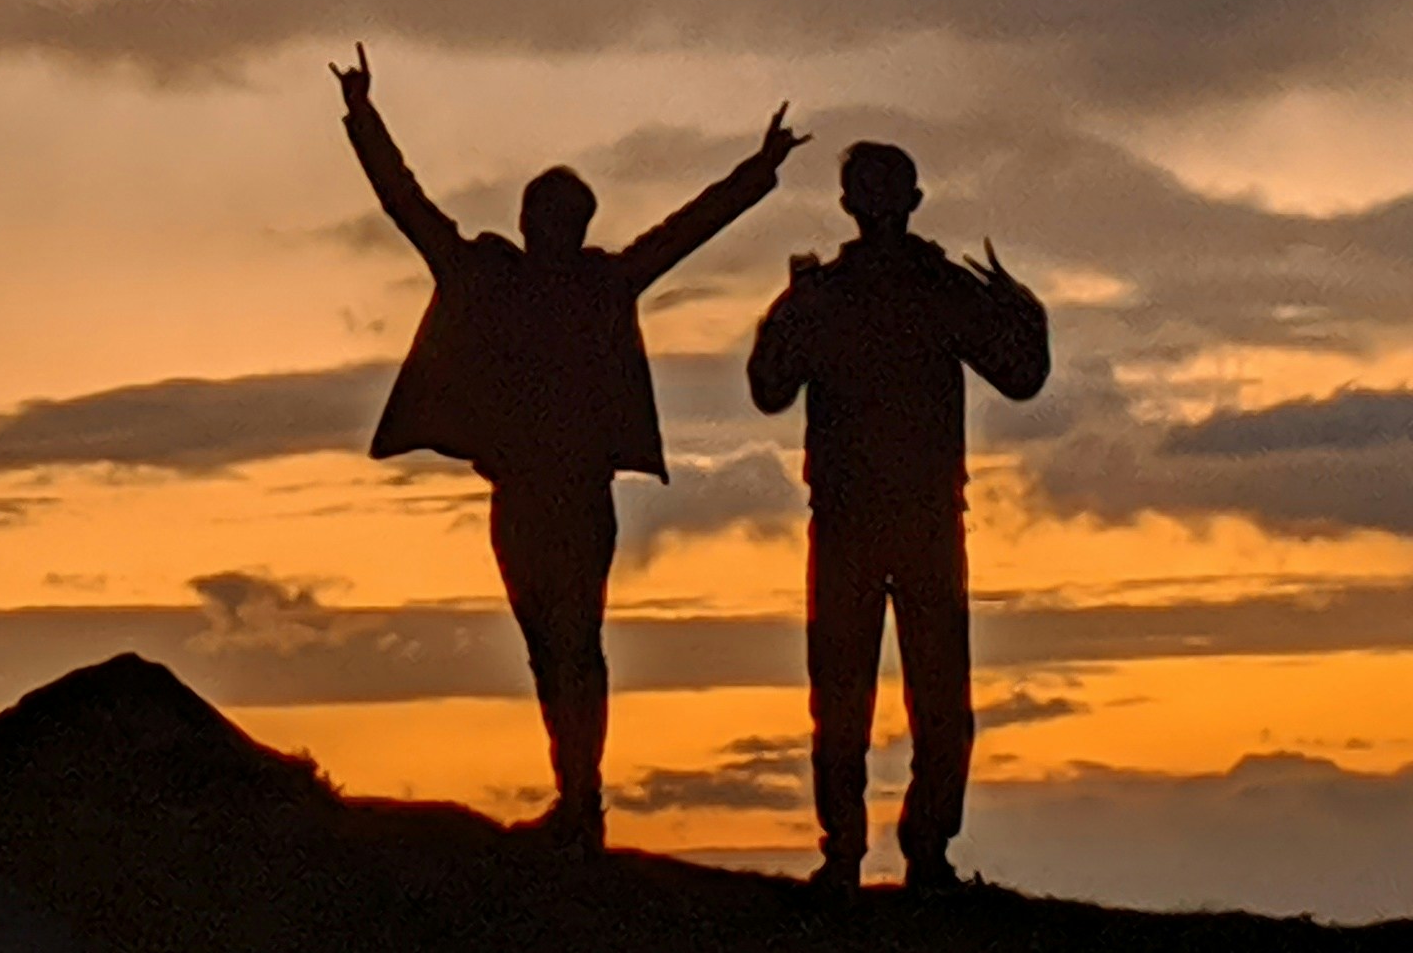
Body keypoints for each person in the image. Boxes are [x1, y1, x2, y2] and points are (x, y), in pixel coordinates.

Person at [335, 47, 804, 847]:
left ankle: (582, 802)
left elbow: (685, 232)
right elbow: (403, 204)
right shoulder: (494, 275)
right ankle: (576, 798)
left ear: (570, 224)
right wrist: (363, 115)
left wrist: (758, 173)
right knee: (550, 644)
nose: (552, 227)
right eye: (546, 215)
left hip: (572, 495)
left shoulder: (595, 282)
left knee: (573, 642)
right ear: (530, 222)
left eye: (562, 217)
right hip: (523, 491)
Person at [746, 141, 1051, 894]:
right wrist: (1022, 308)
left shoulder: (853, 293)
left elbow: (768, 388)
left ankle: (871, 851)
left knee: (869, 694)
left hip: (882, 520)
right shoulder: (924, 288)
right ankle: (901, 852)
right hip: (893, 520)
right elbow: (1022, 374)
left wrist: (790, 308)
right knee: (907, 695)